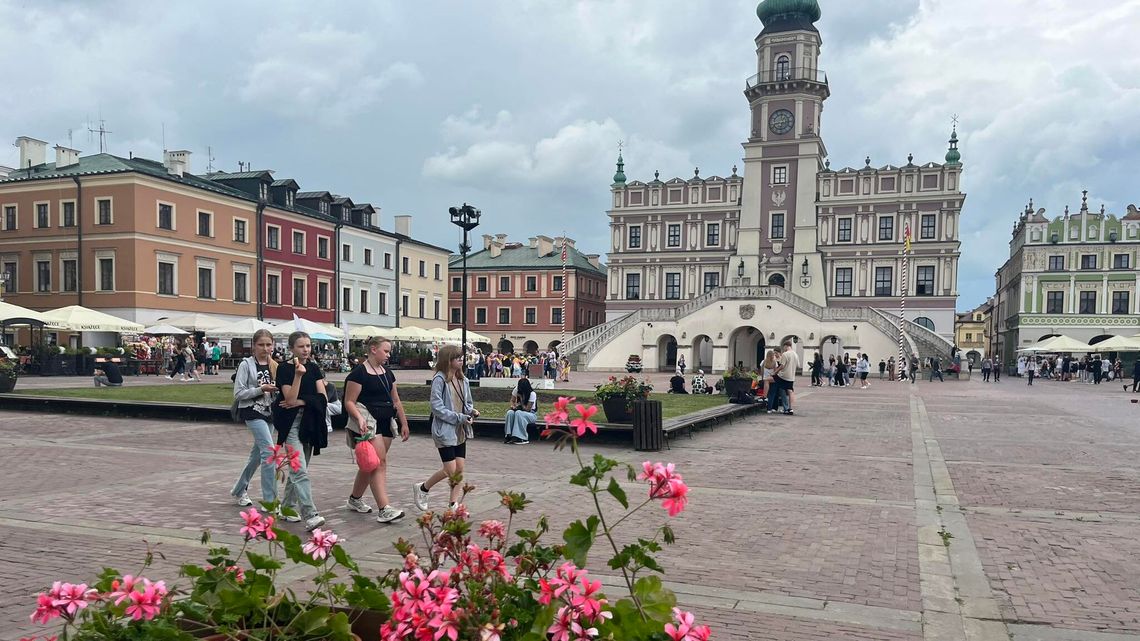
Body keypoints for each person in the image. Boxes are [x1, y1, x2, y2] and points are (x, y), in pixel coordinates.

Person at [343, 336, 409, 523]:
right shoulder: (358, 374)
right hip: (368, 421)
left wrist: (404, 422)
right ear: (373, 349)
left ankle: (355, 499)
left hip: (385, 420)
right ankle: (384, 508)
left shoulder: (387, 373)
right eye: (386, 351)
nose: (388, 355)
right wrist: (359, 417)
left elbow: (396, 399)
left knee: (370, 463)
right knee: (379, 463)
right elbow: (349, 401)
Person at [272, 331, 328, 531]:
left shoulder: (314, 368)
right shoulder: (284, 370)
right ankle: (310, 514)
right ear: (291, 349)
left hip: (310, 423)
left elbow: (323, 398)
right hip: (291, 425)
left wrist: (303, 401)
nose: (306, 350)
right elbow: (289, 399)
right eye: (301, 346)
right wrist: (298, 375)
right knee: (299, 470)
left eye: (308, 346)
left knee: (298, 471)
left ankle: (286, 507)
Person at [413, 344, 478, 512]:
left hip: (460, 430)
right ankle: (423, 488)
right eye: (458, 358)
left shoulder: (463, 379)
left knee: (459, 468)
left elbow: (467, 402)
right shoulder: (440, 379)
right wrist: (459, 417)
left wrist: (471, 411)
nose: (462, 360)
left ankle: (453, 504)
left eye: (462, 358)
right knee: (450, 469)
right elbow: (437, 407)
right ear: (448, 360)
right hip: (445, 429)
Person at [231, 329, 280, 509]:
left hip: (270, 413)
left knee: (257, 456)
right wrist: (261, 389)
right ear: (253, 346)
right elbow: (239, 393)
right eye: (261, 344)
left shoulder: (275, 365)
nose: (265, 348)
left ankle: (239, 489)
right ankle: (270, 501)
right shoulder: (246, 365)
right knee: (269, 453)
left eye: (268, 344)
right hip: (252, 412)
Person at [504, 374, 537, 445]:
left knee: (519, 413)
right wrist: (513, 406)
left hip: (531, 414)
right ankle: (509, 435)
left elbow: (527, 409)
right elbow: (512, 400)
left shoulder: (532, 394)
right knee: (510, 413)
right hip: (519, 411)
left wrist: (521, 399)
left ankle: (521, 437)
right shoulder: (517, 389)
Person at [772, 341, 799, 415]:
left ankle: (784, 408)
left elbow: (782, 365)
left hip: (783, 376)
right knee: (790, 391)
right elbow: (798, 365)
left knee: (778, 387)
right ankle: (790, 408)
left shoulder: (785, 354)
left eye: (783, 347)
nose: (783, 349)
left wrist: (775, 372)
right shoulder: (795, 354)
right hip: (791, 376)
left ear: (786, 346)